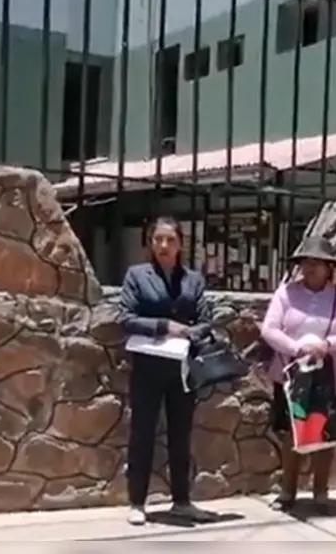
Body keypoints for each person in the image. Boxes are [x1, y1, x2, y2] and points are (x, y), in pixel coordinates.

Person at [117, 216, 219, 526]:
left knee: (180, 435)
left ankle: (182, 501)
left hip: (182, 368)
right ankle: (137, 501)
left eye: (170, 240)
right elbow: (126, 318)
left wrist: (190, 332)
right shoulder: (137, 275)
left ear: (180, 244)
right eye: (158, 239)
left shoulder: (192, 280)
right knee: (142, 434)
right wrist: (164, 326)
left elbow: (205, 321)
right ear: (150, 243)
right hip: (148, 367)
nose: (164, 245)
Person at [260, 236, 336, 511]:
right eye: (306, 262)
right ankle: (288, 491)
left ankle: (320, 492)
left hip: (329, 378)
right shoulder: (286, 294)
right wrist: (296, 348)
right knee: (290, 433)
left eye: (316, 263)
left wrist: (327, 345)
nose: (310, 268)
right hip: (292, 377)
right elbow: (269, 329)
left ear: (329, 267)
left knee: (324, 434)